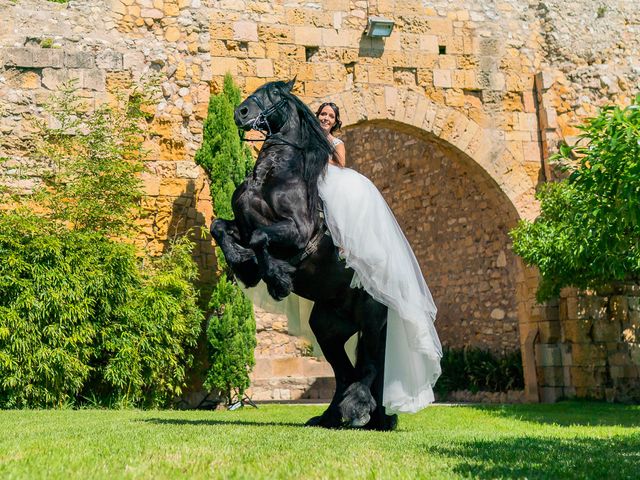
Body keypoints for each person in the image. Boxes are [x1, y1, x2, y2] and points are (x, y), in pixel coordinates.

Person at [315, 101, 443, 413]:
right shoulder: (309, 135)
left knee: (340, 210)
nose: (325, 119)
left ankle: (346, 244)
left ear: (335, 121)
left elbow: (340, 166)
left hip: (332, 181)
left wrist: (323, 158)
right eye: (322, 114)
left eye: (330, 116)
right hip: (315, 180)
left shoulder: (335, 142)